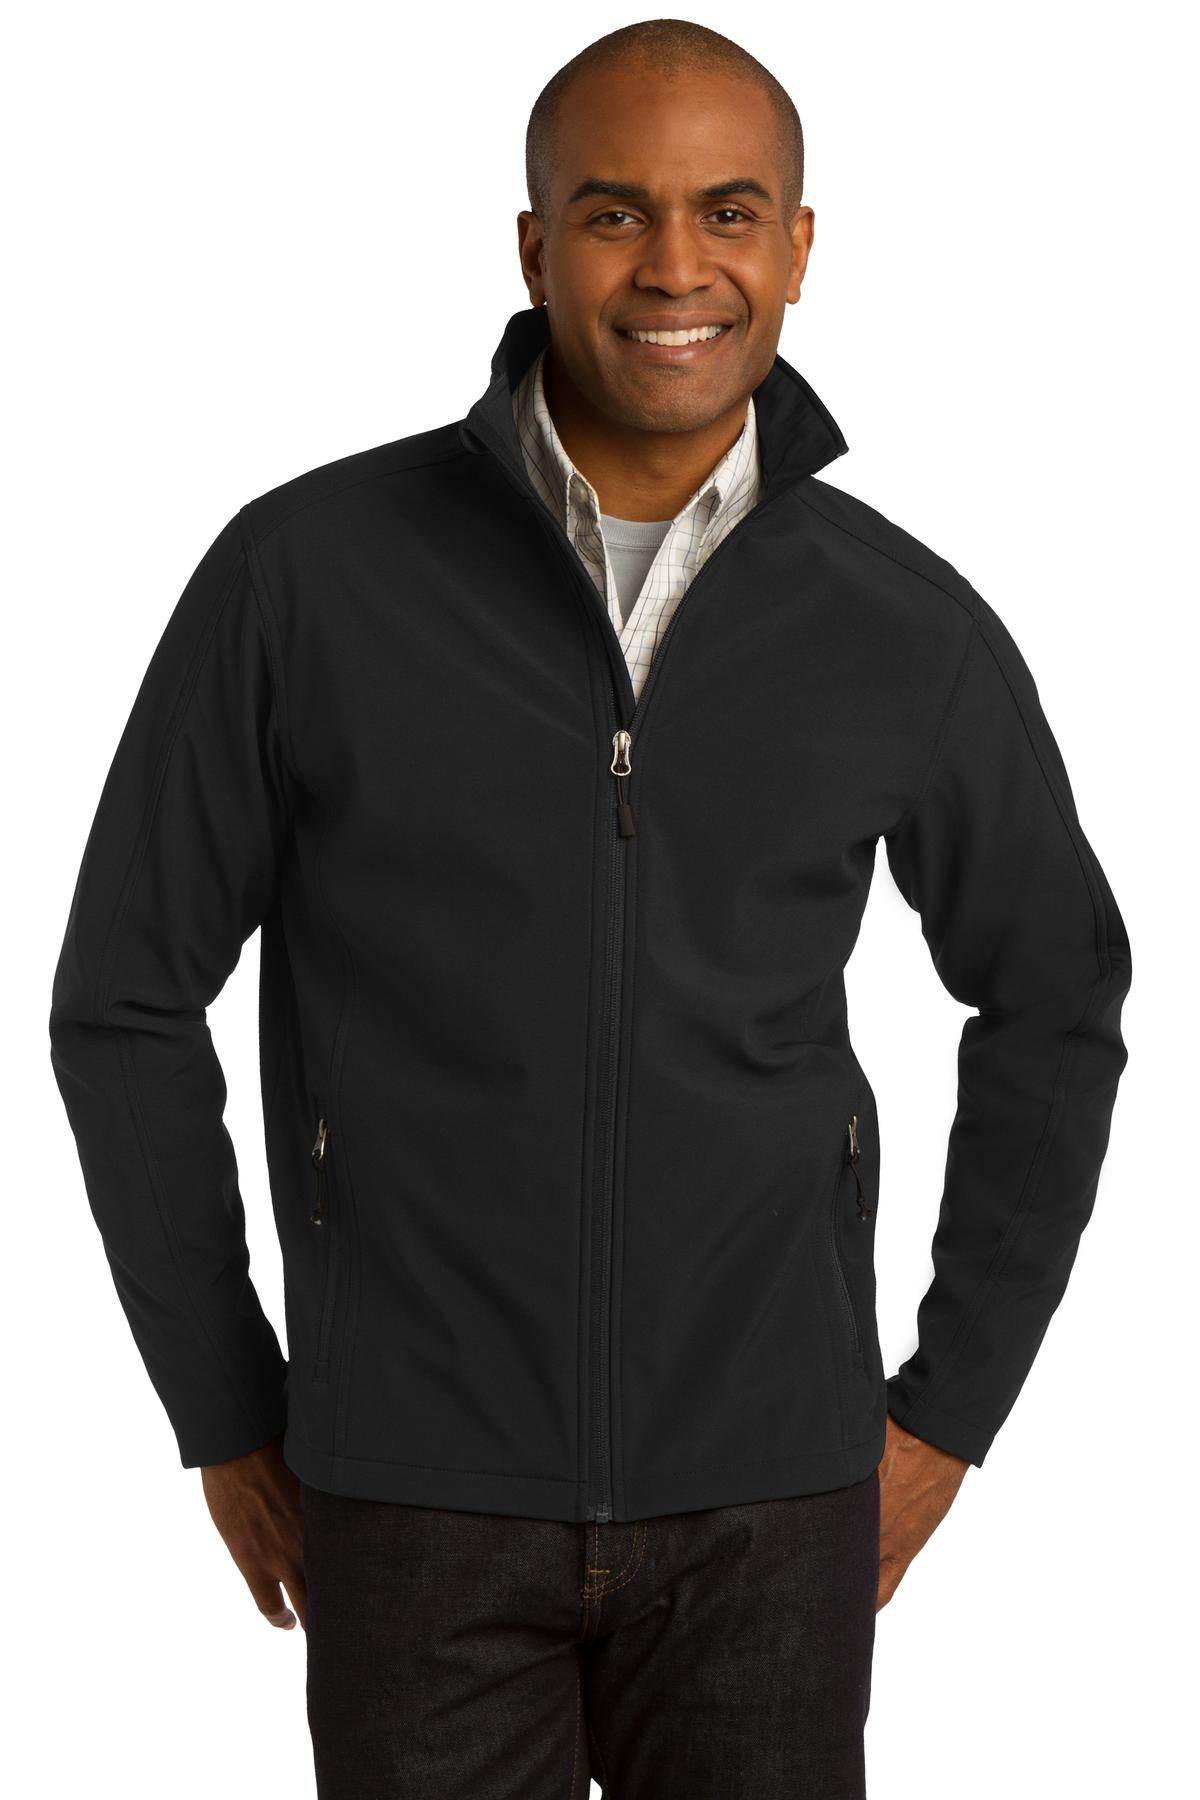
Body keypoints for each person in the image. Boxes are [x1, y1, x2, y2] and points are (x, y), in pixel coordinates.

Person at [47, 18, 1133, 1799]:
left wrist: (948, 1413)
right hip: (411, 1492)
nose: (676, 267)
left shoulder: (903, 628)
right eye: (616, 213)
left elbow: (1057, 1004)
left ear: (801, 246)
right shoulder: (306, 577)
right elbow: (123, 1001)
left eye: (730, 211)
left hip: (772, 1502)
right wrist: (223, 1402)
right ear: (534, 244)